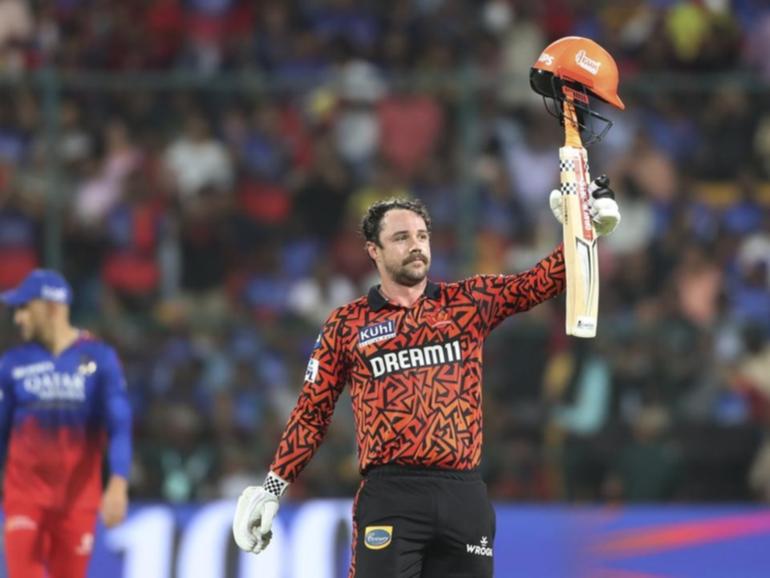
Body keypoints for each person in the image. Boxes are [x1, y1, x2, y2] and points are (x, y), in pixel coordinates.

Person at [233, 186, 620, 577]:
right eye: (401, 237)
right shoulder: (346, 324)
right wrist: (273, 487)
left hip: (463, 494)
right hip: (390, 495)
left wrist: (585, 233)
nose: (416, 245)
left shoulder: (466, 303)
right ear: (374, 251)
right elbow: (312, 412)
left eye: (421, 236)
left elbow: (539, 282)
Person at [0, 270, 132, 578]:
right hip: (24, 498)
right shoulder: (11, 364)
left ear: (52, 308)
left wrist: (118, 482)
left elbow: (119, 424)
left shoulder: (100, 358)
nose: (18, 318)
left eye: (24, 308)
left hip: (77, 501)